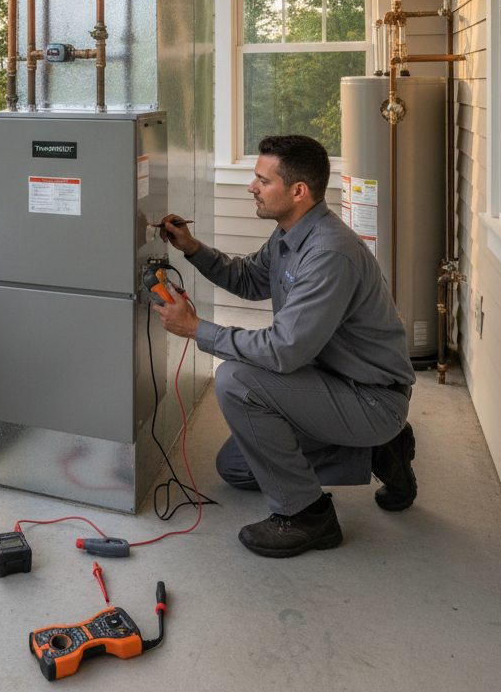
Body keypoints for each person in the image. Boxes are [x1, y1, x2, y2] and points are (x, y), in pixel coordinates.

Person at [152, 134, 417, 558]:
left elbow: (282, 351)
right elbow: (250, 278)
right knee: (236, 468)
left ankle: (309, 516)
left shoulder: (329, 253)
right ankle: (378, 454)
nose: (252, 187)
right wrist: (193, 249)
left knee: (237, 380)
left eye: (262, 180)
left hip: (370, 399)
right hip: (328, 383)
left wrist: (197, 329)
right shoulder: (289, 234)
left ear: (298, 191)